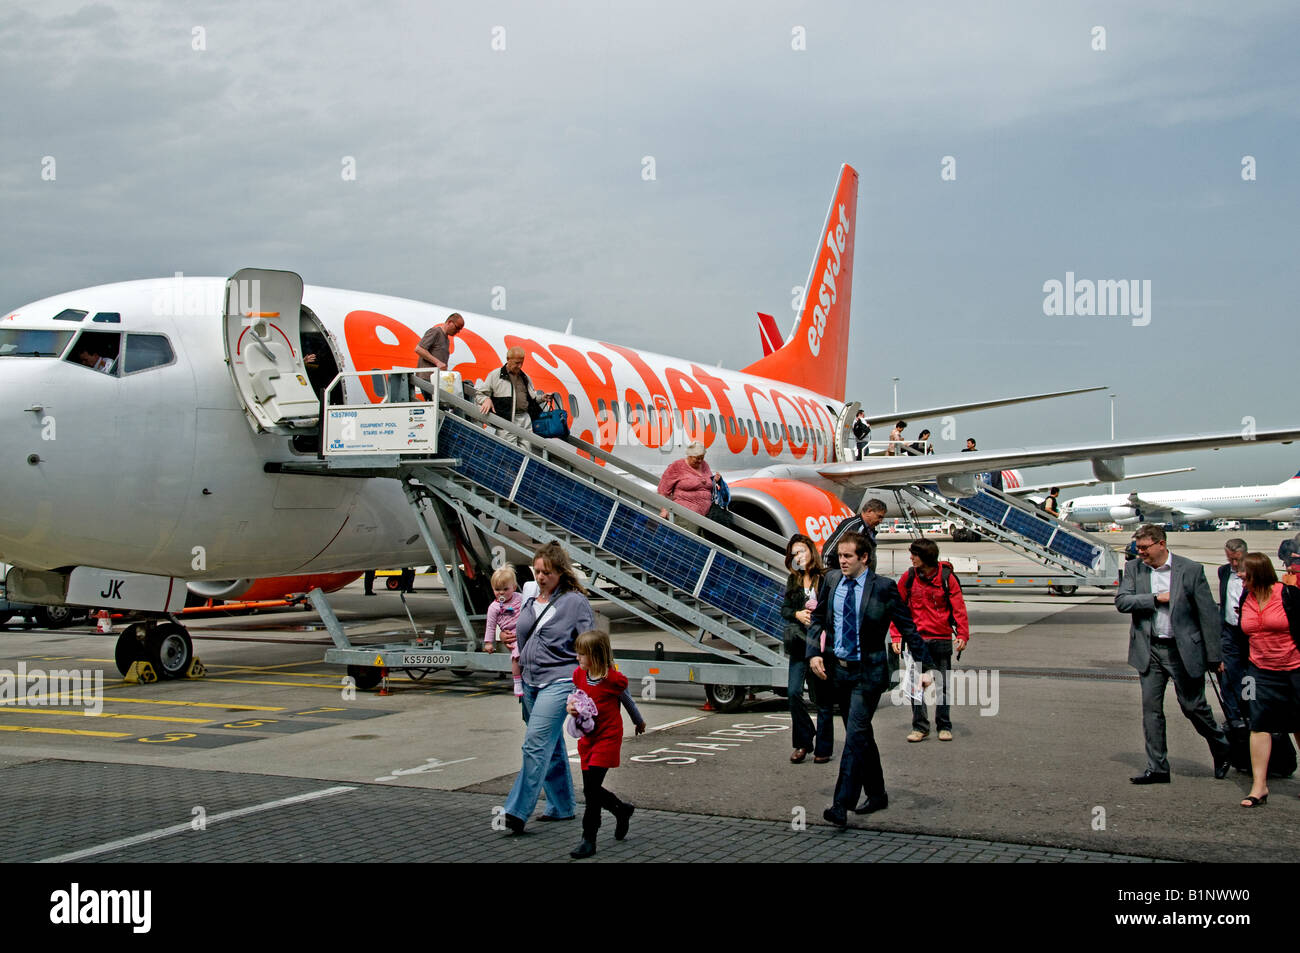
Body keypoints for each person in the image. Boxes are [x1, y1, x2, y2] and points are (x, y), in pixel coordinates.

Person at [808, 531, 926, 826]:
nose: (841, 561)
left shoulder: (883, 587)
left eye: (848, 556)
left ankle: (840, 804)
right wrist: (814, 652)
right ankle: (877, 793)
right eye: (839, 556)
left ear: (864, 558)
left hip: (869, 673)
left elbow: (907, 626)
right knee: (861, 735)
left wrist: (928, 665)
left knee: (855, 735)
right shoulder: (833, 581)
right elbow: (819, 618)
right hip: (840, 671)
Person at [1115, 523, 1232, 784]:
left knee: (1193, 707)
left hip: (1183, 650)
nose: (1140, 552)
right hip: (1150, 650)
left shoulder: (1190, 570)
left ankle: (1221, 745)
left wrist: (1215, 656)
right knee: (1151, 711)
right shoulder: (1134, 569)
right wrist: (1155, 599)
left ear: (1161, 544)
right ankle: (1157, 767)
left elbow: (1208, 615)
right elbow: (1122, 601)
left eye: (1144, 548)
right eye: (1138, 548)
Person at [502, 543, 595, 833]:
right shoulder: (530, 597)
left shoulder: (575, 602)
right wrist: (509, 637)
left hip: (560, 679)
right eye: (538, 571)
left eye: (547, 572)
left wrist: (592, 684)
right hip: (530, 679)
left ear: (560, 572)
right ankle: (562, 806)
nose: (541, 577)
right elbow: (523, 635)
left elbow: (590, 643)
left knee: (534, 744)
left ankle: (516, 811)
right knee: (551, 746)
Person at [566, 629, 646, 857]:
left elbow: (628, 701)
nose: (578, 658)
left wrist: (638, 721)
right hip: (587, 737)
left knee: (591, 791)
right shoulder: (579, 675)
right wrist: (570, 708)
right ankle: (621, 810)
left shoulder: (613, 680)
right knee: (590, 789)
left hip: (608, 736)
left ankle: (588, 839)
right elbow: (574, 697)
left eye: (582, 654)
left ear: (596, 656)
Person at [1234, 553, 1300, 807]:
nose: (1240, 576)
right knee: (1258, 724)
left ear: (1258, 574)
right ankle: (1259, 787)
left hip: (1295, 668)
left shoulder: (1288, 595)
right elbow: (1242, 634)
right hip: (1259, 671)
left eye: (1244, 573)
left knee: (1298, 723)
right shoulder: (1246, 597)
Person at [890, 538, 969, 742]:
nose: (911, 558)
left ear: (925, 557)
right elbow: (897, 608)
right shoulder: (908, 577)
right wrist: (896, 634)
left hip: (941, 638)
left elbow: (958, 607)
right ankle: (920, 726)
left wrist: (962, 634)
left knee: (943, 685)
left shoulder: (946, 577)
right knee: (916, 686)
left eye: (914, 555)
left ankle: (944, 725)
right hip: (916, 641)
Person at [781, 534, 834, 764]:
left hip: (819, 645)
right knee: (793, 693)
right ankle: (804, 740)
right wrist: (797, 614)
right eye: (794, 554)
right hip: (798, 643)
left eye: (801, 551)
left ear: (811, 551)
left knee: (822, 698)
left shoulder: (825, 578)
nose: (798, 557)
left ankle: (823, 747)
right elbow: (783, 609)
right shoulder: (793, 580)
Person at [475, 345, 547, 445]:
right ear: (508, 359)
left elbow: (530, 398)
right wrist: (486, 399)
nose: (520, 366)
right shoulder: (495, 375)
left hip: (525, 418)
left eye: (522, 363)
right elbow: (480, 393)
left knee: (527, 451)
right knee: (510, 453)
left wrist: (541, 398)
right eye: (517, 363)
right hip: (507, 420)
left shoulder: (525, 377)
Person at [1217, 538, 1249, 730]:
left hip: (1249, 633)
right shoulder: (1223, 572)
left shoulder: (1253, 570)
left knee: (1249, 676)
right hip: (1229, 631)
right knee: (1228, 675)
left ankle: (1249, 712)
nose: (1235, 564)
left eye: (1238, 559)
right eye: (1231, 560)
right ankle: (1233, 717)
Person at [397, 312, 464, 400]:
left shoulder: (446, 339)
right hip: (427, 378)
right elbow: (419, 349)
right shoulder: (435, 332)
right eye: (457, 328)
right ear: (449, 322)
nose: (458, 331)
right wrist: (437, 362)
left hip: (437, 380)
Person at [483, 566, 525, 697]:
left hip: (524, 630)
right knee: (516, 656)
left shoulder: (520, 598)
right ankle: (517, 681)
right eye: (497, 590)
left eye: (505, 589)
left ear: (514, 587)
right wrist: (489, 642)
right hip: (512, 635)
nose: (501, 593)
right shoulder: (494, 607)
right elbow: (490, 626)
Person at [820, 497, 888, 572]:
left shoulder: (869, 530)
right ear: (869, 511)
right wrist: (827, 575)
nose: (880, 521)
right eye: (879, 517)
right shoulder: (852, 526)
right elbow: (828, 551)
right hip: (843, 577)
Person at [657, 441, 721, 520]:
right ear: (689, 455)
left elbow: (708, 483)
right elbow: (662, 491)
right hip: (685, 514)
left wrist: (715, 480)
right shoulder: (677, 466)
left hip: (705, 515)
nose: (700, 461)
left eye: (702, 458)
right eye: (697, 458)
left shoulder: (704, 465)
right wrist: (664, 510)